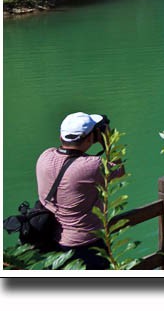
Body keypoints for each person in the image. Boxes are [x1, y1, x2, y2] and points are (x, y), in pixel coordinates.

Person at [35, 112, 125, 269]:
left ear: (61, 136)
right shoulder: (92, 165)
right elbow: (119, 171)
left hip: (52, 242)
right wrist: (107, 140)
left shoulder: (45, 156)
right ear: (90, 138)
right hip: (85, 247)